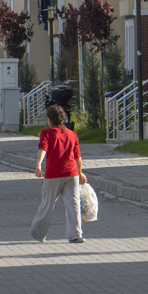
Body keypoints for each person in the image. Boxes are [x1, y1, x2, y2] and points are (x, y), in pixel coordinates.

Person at [30, 104, 87, 243]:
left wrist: (38, 165)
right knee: (73, 204)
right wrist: (80, 173)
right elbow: (78, 156)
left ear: (49, 119)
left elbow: (43, 148)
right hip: (72, 173)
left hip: (54, 174)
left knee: (47, 204)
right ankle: (76, 235)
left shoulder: (46, 133)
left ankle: (39, 234)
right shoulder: (72, 134)